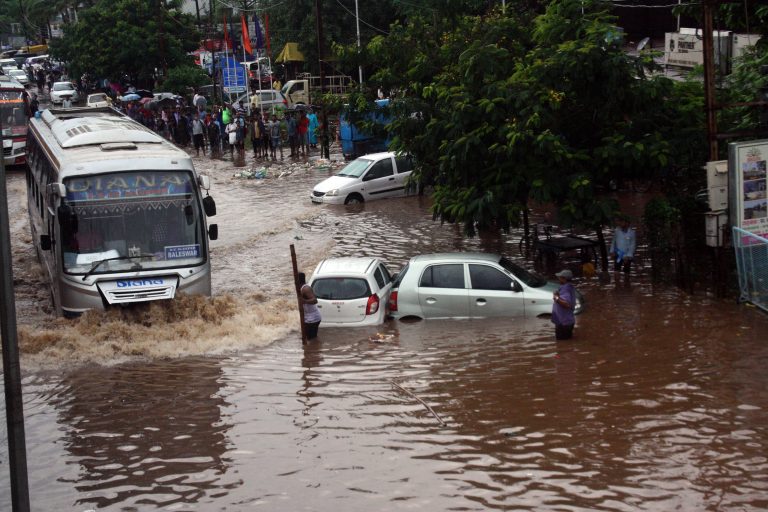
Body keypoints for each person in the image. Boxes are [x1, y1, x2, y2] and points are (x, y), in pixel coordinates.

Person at [552, 269, 576, 341]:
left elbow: (567, 304)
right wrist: (558, 295)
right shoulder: (569, 287)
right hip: (567, 321)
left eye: (560, 277)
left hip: (563, 323)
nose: (558, 279)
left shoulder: (565, 289)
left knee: (561, 347)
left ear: (564, 279)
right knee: (567, 345)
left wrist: (555, 297)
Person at [298, 272, 321, 341]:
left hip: (312, 319)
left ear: (298, 280)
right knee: (309, 338)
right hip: (308, 318)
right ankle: (314, 349)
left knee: (311, 339)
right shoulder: (300, 288)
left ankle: (313, 350)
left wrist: (304, 301)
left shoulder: (306, 289)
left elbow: (314, 300)